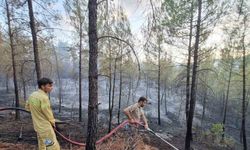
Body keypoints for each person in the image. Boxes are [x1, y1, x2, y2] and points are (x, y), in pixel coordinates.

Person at [25, 78, 60, 150]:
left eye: (52, 85)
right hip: (45, 129)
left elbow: (27, 108)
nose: (51, 88)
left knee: (42, 145)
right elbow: (48, 113)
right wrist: (53, 123)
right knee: (52, 147)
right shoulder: (44, 98)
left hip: (38, 127)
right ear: (42, 86)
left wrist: (36, 113)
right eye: (49, 86)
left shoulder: (32, 95)